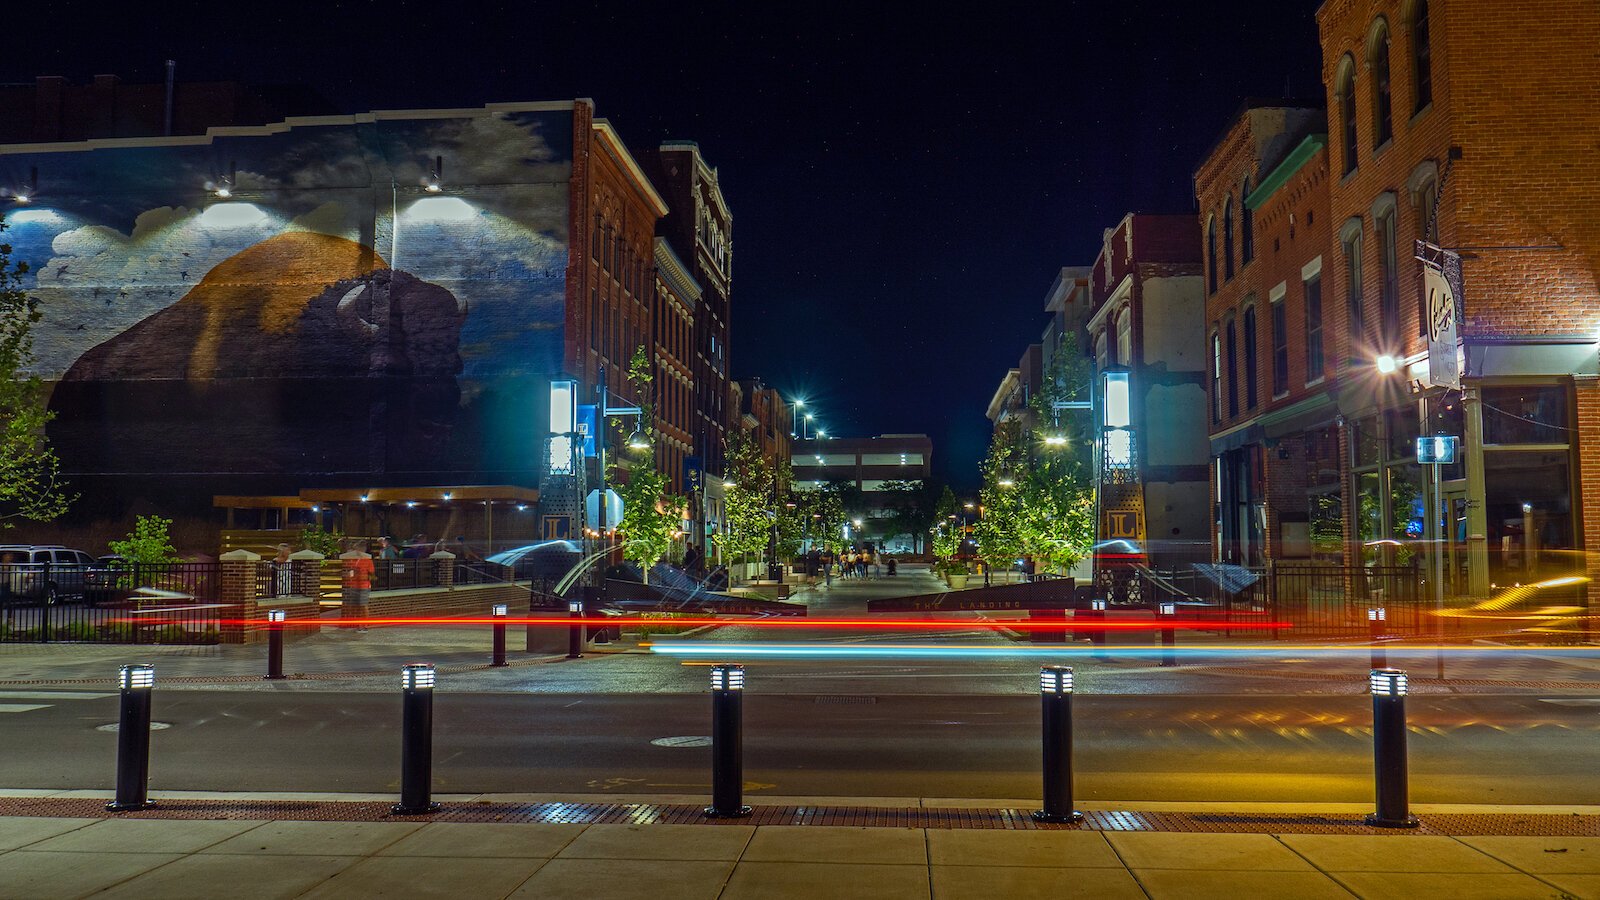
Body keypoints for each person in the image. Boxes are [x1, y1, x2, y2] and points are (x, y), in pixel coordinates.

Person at [340, 541, 374, 633]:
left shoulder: (367, 560)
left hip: (363, 586)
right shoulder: (356, 560)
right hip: (356, 585)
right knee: (359, 606)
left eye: (356, 549)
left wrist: (362, 577)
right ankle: (360, 625)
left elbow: (371, 574)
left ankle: (365, 625)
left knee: (363, 605)